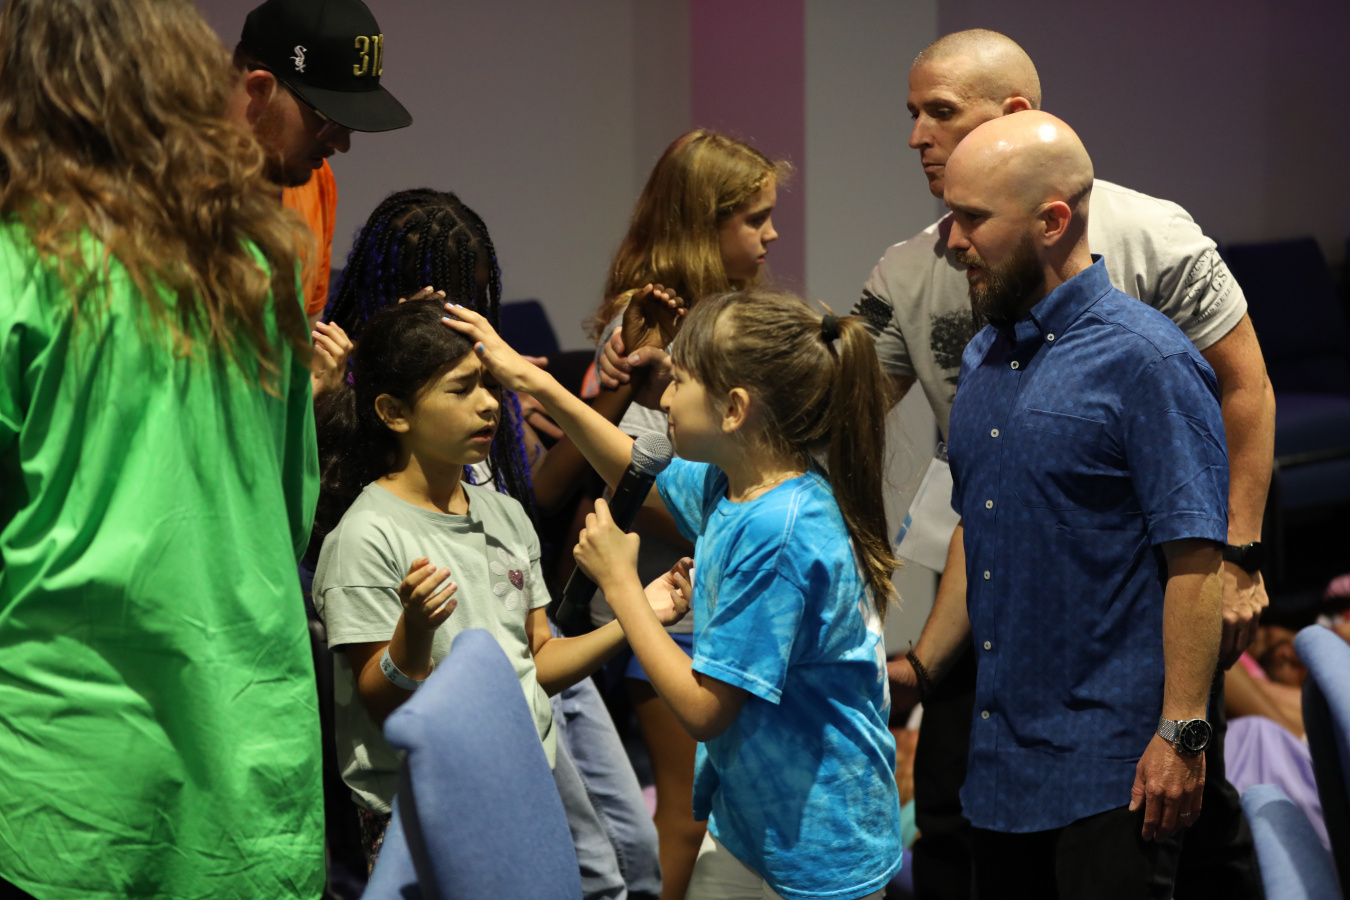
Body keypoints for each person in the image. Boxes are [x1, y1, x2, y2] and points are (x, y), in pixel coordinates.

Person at [858, 29, 1271, 900]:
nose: (953, 242)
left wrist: (1184, 732)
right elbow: (980, 524)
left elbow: (1192, 556)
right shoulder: (985, 357)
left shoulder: (1146, 358)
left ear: (1050, 222)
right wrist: (926, 665)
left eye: (974, 221)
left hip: (1115, 765)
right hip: (1006, 761)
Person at [0, 0, 323, 897]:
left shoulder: (18, 268)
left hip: (68, 789)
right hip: (251, 763)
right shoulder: (260, 265)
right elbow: (289, 512)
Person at [443, 291, 906, 900]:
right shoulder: (737, 482)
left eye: (679, 381)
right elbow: (633, 466)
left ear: (734, 410)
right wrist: (533, 381)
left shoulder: (779, 529)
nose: (663, 398)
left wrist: (622, 586)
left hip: (818, 845)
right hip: (752, 825)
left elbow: (704, 709)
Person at [319, 189, 662, 899]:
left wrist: (639, 614)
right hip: (426, 799)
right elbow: (386, 703)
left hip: (517, 780)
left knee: (612, 863)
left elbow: (535, 661)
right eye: (462, 389)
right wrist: (415, 630)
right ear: (392, 411)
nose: (488, 404)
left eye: (488, 386)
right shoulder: (365, 533)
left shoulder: (502, 513)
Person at [587, 128, 789, 900]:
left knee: (729, 808)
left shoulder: (732, 322)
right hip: (669, 609)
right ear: (705, 226)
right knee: (686, 817)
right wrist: (735, 516)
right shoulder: (644, 327)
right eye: (754, 218)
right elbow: (637, 480)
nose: (772, 235)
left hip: (724, 600)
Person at [233, 0, 414, 394]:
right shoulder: (161, 197)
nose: (343, 144)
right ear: (260, 89)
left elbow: (300, 353)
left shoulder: (316, 182)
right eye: (329, 119)